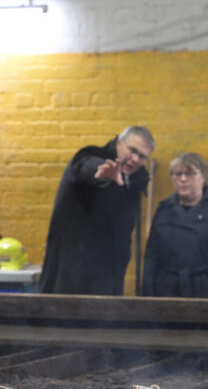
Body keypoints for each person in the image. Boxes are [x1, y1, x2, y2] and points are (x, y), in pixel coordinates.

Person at [40, 126, 155, 295]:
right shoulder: (90, 157)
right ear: (118, 143)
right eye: (132, 150)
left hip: (110, 277)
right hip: (72, 277)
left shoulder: (136, 179)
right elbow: (85, 168)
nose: (136, 159)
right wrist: (101, 174)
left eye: (142, 156)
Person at [142, 152, 208, 298]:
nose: (183, 179)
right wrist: (147, 296)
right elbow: (151, 257)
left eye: (190, 174)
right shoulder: (163, 210)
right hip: (168, 292)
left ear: (203, 177)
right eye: (177, 174)